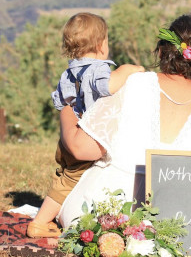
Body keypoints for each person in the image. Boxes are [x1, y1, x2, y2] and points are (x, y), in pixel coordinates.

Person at [58, 14, 191, 228]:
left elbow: (81, 149)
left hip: (107, 213)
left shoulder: (133, 83)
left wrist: (66, 109)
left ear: (161, 51)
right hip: (187, 222)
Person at [27, 12, 144, 238]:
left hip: (67, 136)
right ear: (101, 45)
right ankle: (40, 223)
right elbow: (107, 87)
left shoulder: (69, 72)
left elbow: (60, 100)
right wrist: (126, 70)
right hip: (84, 135)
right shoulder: (98, 69)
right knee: (68, 181)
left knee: (63, 176)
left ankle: (52, 212)